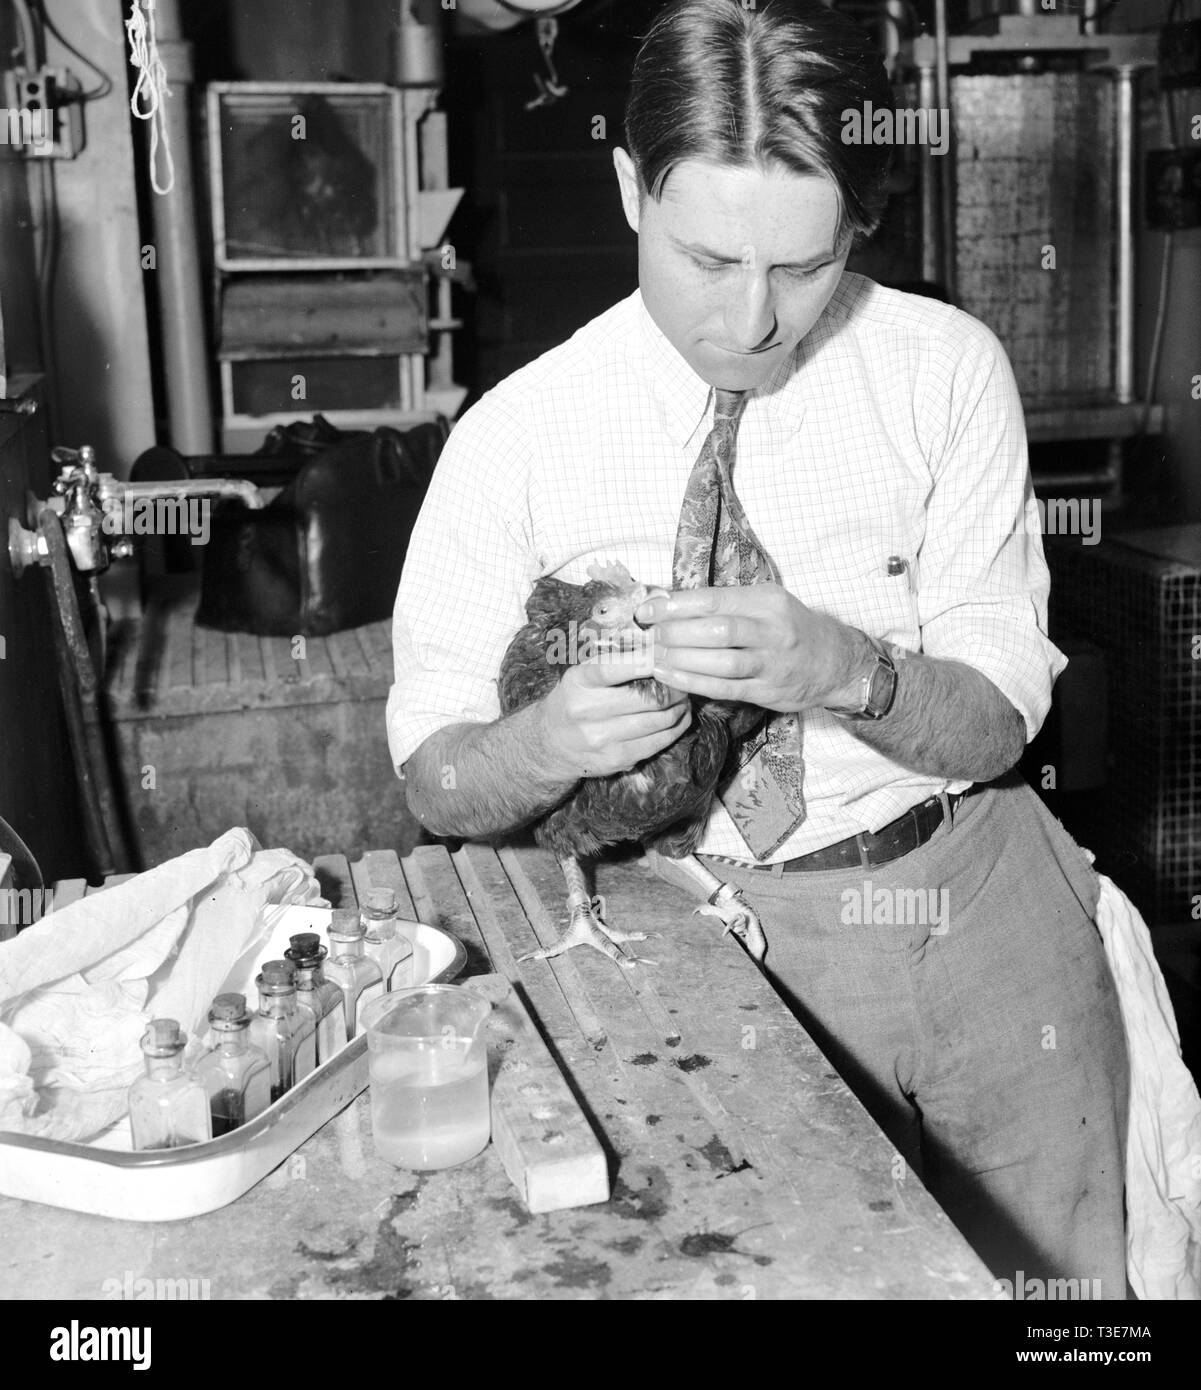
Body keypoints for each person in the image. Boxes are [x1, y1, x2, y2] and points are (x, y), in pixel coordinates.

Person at [387, 0, 1128, 1296]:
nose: (752, 317)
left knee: (1062, 1302)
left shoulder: (943, 371)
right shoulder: (515, 435)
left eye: (802, 264)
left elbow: (1003, 719)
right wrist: (545, 740)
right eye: (707, 259)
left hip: (978, 909)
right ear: (628, 188)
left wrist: (849, 672)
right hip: (699, 933)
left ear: (858, 217)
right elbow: (432, 777)